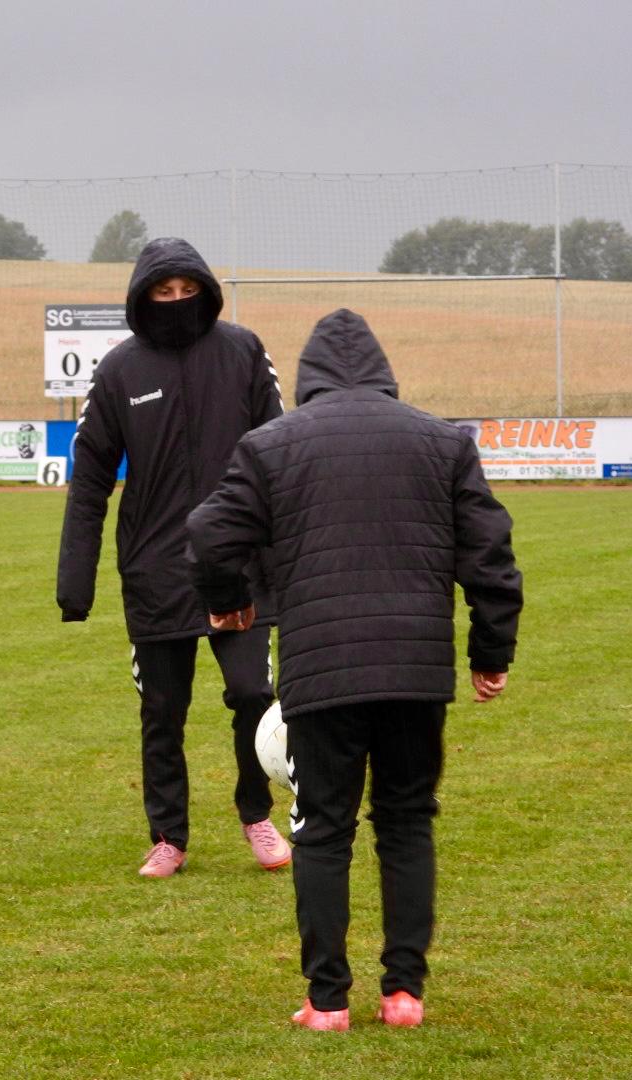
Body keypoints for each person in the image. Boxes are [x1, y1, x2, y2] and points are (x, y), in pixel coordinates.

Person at [186, 309, 522, 1030]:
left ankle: (327, 1000)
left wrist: (229, 603)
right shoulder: (442, 441)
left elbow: (211, 532)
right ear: (382, 372)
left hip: (322, 668)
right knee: (406, 822)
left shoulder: (270, 444)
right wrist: (490, 651)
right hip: (414, 670)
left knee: (324, 827)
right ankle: (403, 994)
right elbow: (490, 551)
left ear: (308, 376)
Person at [57, 237, 291, 879]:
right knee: (162, 710)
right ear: (143, 296)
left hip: (240, 567)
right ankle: (169, 836)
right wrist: (75, 581)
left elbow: (280, 453)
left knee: (253, 694)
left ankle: (256, 813)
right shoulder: (119, 371)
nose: (178, 300)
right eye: (164, 291)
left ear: (206, 291)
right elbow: (90, 477)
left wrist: (291, 555)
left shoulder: (244, 351)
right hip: (155, 572)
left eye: (189, 290)